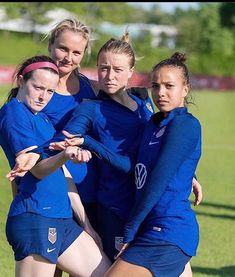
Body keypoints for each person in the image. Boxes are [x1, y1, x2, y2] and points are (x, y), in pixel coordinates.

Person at [0, 55, 110, 277]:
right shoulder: (14, 112)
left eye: (49, 91)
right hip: (36, 218)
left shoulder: (42, 119)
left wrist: (86, 224)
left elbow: (64, 175)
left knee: (108, 273)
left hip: (64, 219)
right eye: (38, 87)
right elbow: (38, 169)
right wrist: (65, 155)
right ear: (21, 81)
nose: (43, 96)